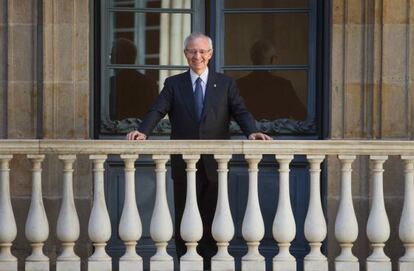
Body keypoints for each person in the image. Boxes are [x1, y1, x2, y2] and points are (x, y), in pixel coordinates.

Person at [126, 32, 271, 269]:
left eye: (203, 51)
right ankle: (186, 262)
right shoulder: (174, 84)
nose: (198, 56)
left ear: (210, 54)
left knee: (214, 215)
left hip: (216, 165)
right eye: (193, 51)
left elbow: (240, 111)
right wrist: (143, 131)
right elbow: (157, 109)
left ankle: (211, 264)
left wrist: (251, 131)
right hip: (184, 164)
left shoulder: (225, 84)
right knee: (185, 213)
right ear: (185, 54)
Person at [237, 39, 307, 120]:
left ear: (252, 58)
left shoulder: (239, 84)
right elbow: (301, 115)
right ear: (273, 59)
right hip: (277, 133)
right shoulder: (283, 86)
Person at [109, 38, 158, 120]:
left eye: (114, 55)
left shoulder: (111, 83)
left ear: (128, 57)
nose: (111, 60)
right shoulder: (149, 82)